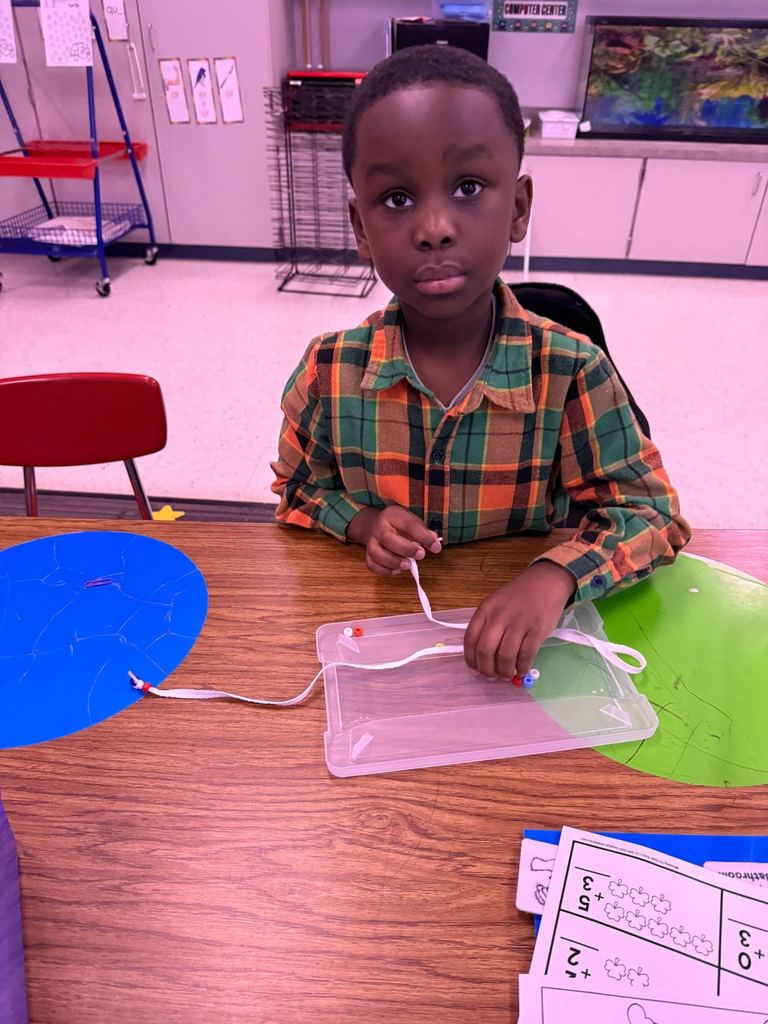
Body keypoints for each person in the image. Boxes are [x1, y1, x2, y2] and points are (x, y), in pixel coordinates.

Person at [271, 45, 690, 681]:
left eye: (468, 188)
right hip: (383, 643)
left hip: (530, 658)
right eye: (396, 198)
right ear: (360, 227)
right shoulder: (329, 371)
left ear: (518, 208)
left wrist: (555, 575)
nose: (434, 227)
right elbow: (299, 489)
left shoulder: (572, 371)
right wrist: (363, 522)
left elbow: (653, 517)